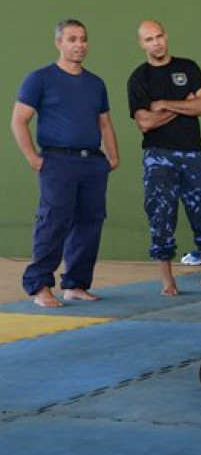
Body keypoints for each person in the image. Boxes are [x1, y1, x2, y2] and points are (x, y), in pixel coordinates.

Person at [11, 19, 120, 308]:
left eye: (83, 39)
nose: (79, 45)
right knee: (53, 222)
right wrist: (33, 158)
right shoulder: (40, 78)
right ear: (58, 42)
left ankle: (76, 285)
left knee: (89, 223)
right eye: (72, 39)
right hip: (57, 161)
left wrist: (113, 155)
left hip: (92, 163)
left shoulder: (96, 83)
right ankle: (40, 285)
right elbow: (19, 120)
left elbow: (105, 123)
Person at [127, 20, 201, 296]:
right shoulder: (138, 78)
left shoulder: (187, 67)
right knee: (161, 216)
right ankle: (168, 281)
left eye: (160, 36)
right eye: (149, 39)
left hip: (193, 154)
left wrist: (164, 104)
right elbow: (145, 123)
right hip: (158, 156)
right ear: (142, 44)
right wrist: (184, 106)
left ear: (167, 36)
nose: (157, 43)